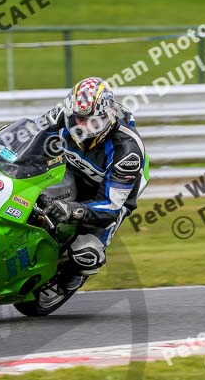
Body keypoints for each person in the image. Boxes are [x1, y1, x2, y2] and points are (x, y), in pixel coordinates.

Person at [37, 76, 148, 290]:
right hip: (71, 173)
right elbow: (28, 133)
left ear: (106, 117)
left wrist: (76, 211)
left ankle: (67, 279)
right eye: (77, 118)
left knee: (86, 252)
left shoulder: (127, 152)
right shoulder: (64, 115)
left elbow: (112, 206)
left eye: (88, 120)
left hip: (108, 193)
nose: (80, 125)